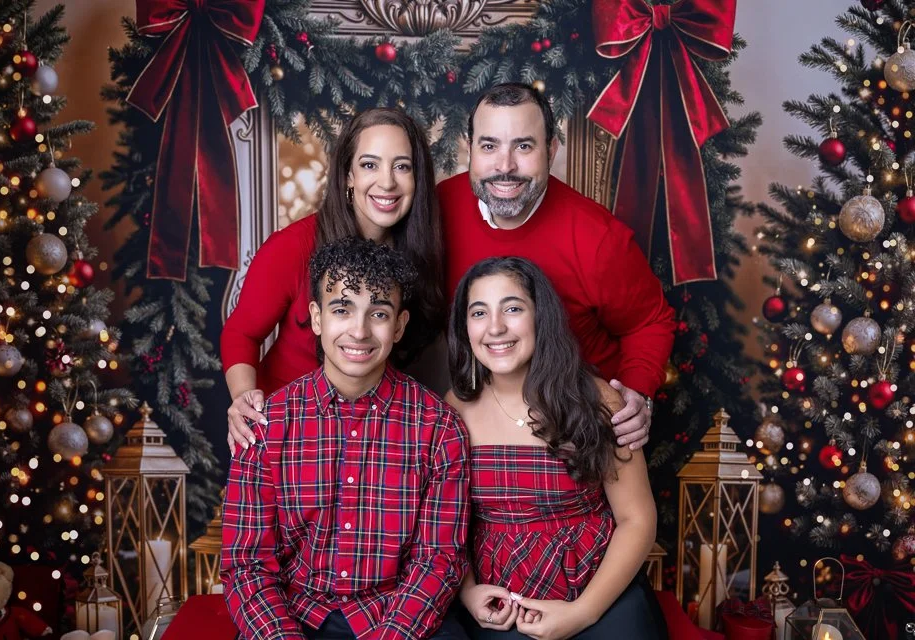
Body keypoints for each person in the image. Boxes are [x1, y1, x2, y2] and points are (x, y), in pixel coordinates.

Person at [221, 237, 470, 640]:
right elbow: (246, 564)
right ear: (317, 318)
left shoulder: (439, 428)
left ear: (400, 325)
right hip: (295, 615)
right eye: (342, 309)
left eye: (379, 313)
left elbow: (437, 562)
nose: (359, 331)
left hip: (397, 617)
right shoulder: (267, 424)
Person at [438, 83, 676, 451]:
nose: (505, 166)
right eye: (489, 146)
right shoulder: (437, 211)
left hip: (575, 432)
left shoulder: (599, 238)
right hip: (478, 426)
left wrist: (637, 391)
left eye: (524, 146)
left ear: (551, 150)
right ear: (468, 149)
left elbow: (649, 321)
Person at [445, 257, 666, 640]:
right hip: (500, 604)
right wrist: (467, 592)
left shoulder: (596, 399)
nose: (496, 327)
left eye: (513, 308)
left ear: (540, 317)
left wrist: (583, 612)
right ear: (465, 328)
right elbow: (445, 522)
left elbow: (637, 519)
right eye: (479, 312)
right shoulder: (455, 407)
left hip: (599, 593)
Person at [222, 107, 444, 456]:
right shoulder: (294, 246)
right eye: (370, 165)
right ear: (348, 175)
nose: (387, 182)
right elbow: (241, 333)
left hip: (375, 439)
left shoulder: (421, 254)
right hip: (289, 435)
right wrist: (243, 400)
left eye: (401, 167)